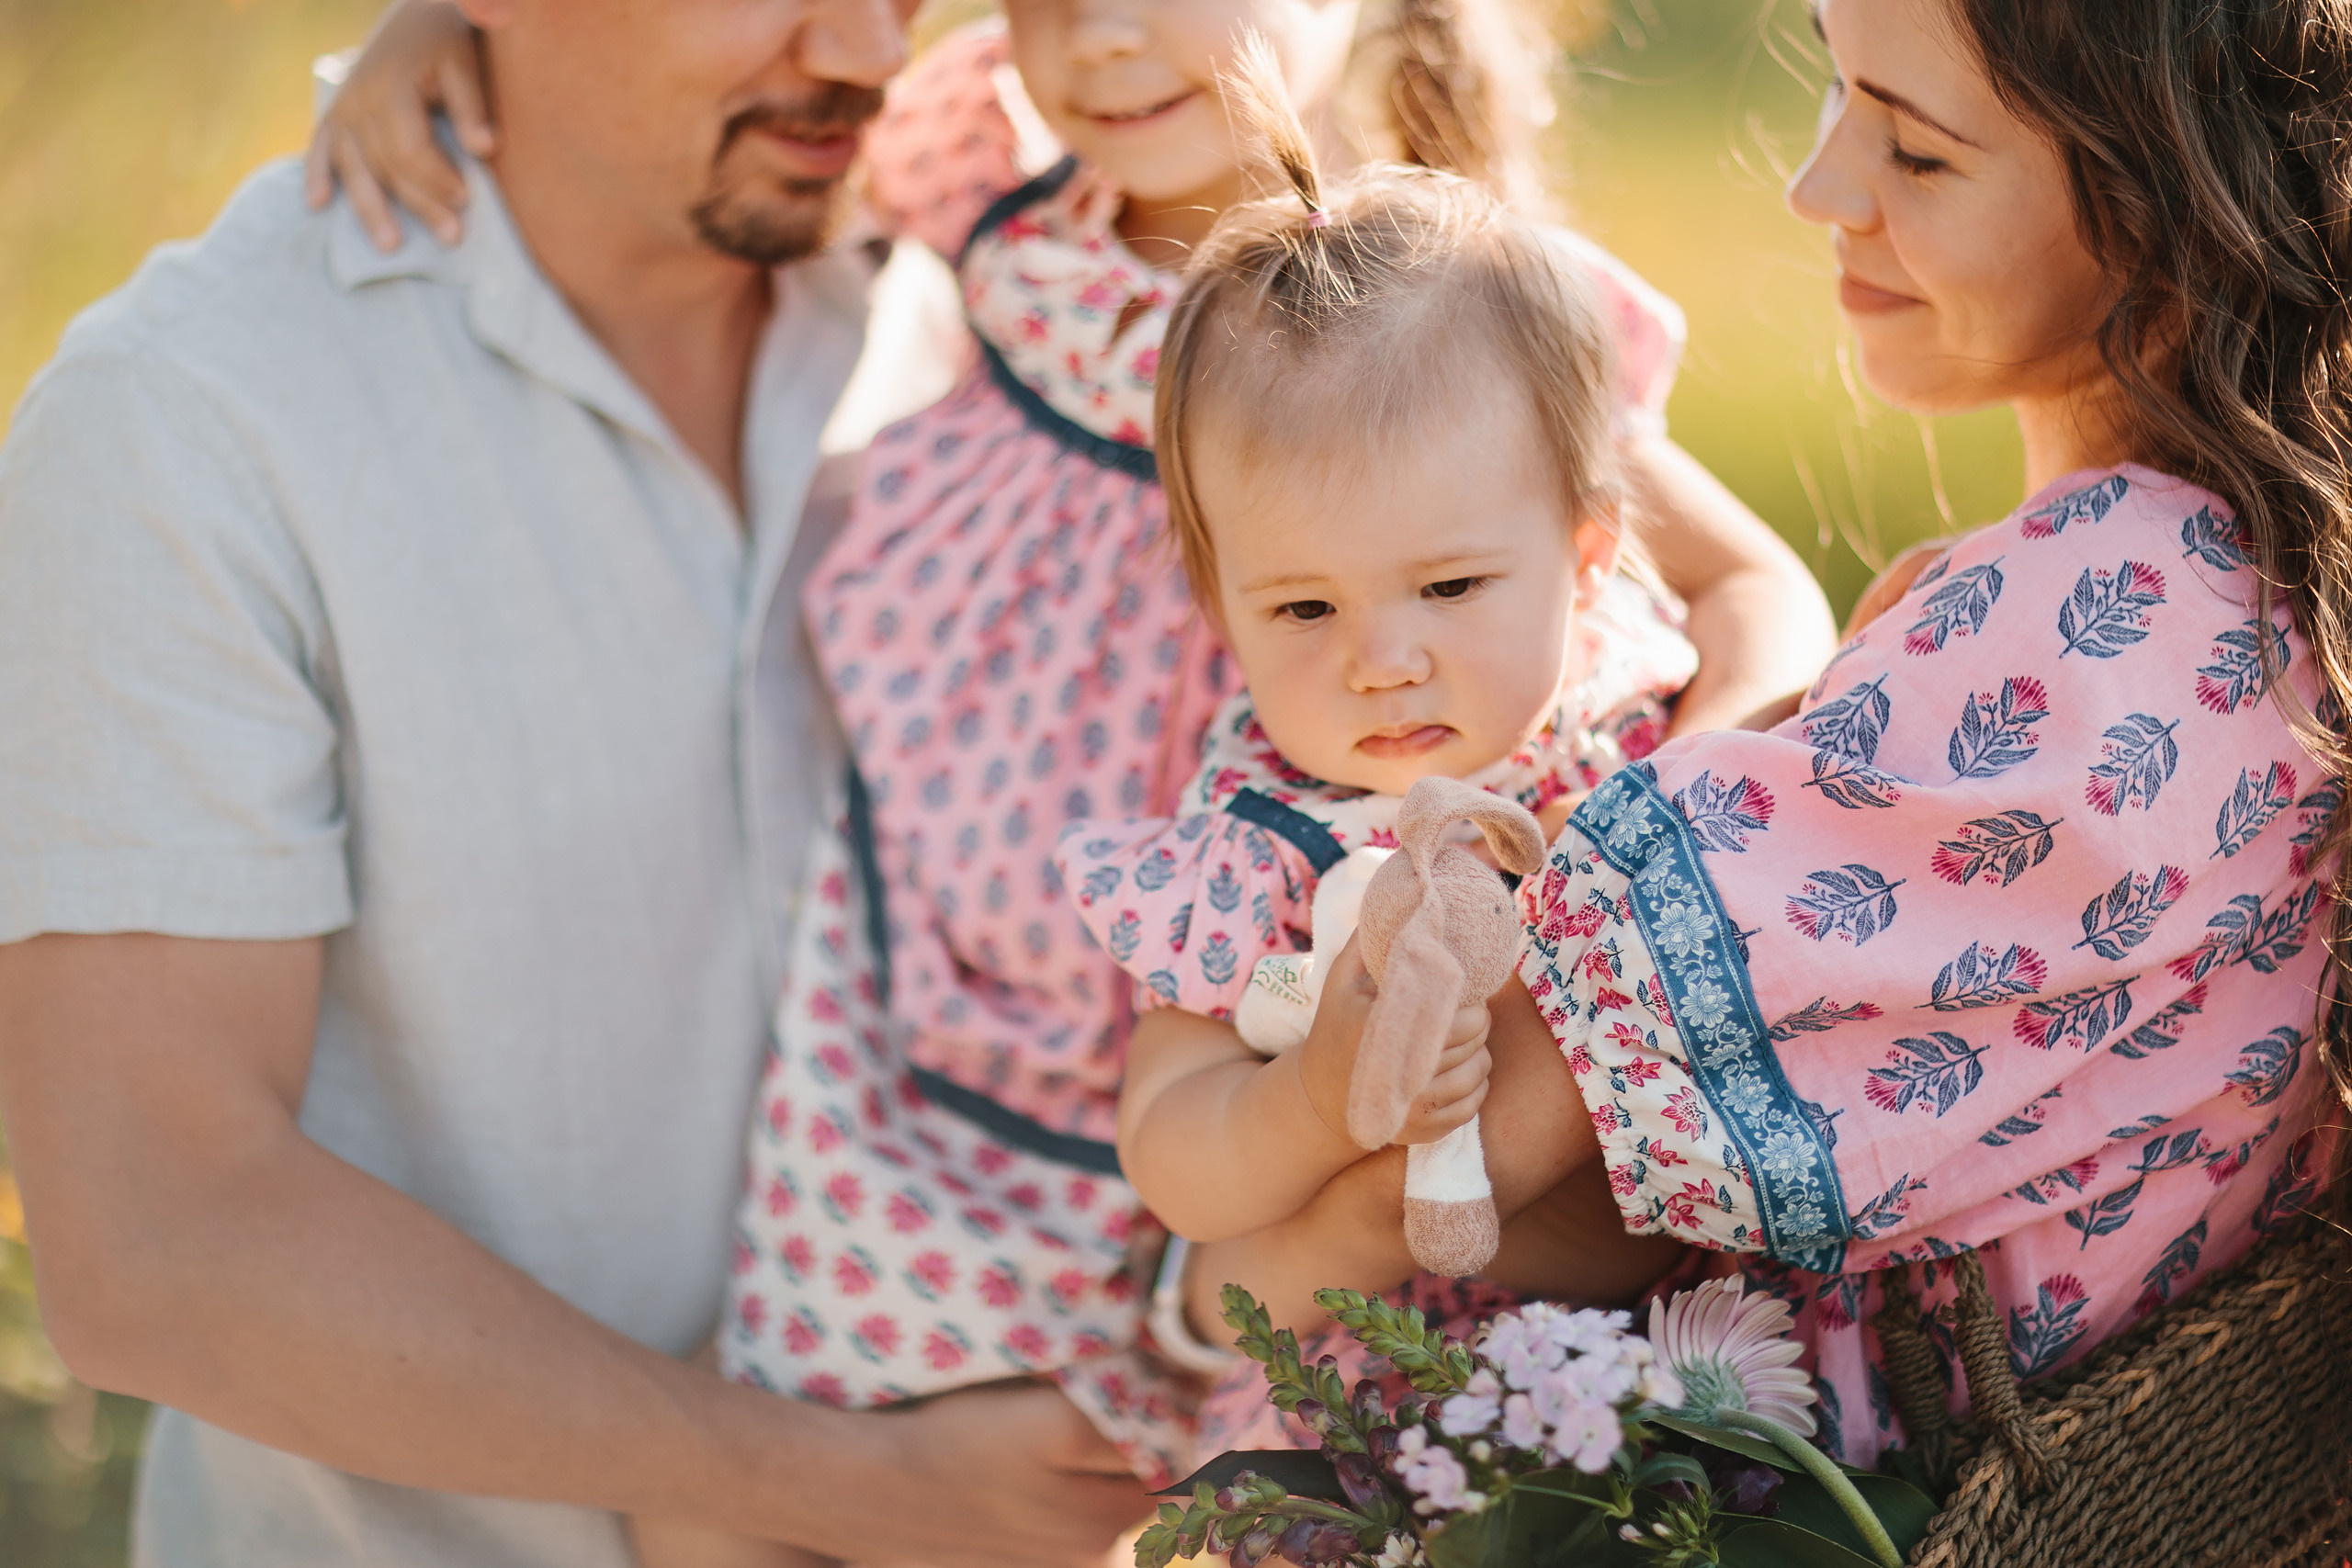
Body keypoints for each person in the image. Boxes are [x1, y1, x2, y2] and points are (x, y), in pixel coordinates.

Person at [311, 0, 1838, 1541]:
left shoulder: (1456, 321)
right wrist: (450, 36)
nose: (1102, 39)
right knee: (814, 1481)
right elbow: (671, 131)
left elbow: (1750, 584)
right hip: (1022, 974)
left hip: (1353, 984)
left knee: (1256, 1430)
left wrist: (1664, 814)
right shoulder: (997, 210)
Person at [0, 2, 1159, 1565]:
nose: (875, 55)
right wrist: (852, 1488)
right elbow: (158, 1232)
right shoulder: (191, 419)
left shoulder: (1003, 292)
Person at [1197, 0, 2350, 1469]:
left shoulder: (2097, 623)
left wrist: (1208, 1304)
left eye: (1919, 154)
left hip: (1812, 1500)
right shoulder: (2257, 581)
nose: (1819, 188)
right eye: (1839, 93)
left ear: (2173, 198)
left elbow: (1471, 1133)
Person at [1053, 62, 1711, 1451]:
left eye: (1453, 590)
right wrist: (1311, 1094)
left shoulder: (1634, 727)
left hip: (1685, 1390)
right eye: (1303, 608)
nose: (1382, 660)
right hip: (1365, 1424)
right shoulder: (1263, 847)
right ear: (1218, 605)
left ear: (1586, 561)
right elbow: (1174, 1151)